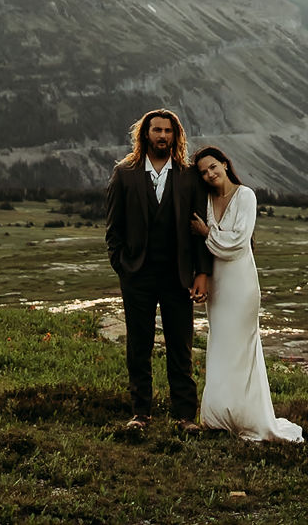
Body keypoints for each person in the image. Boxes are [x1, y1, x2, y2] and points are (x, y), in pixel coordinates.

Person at [104, 108, 211, 430]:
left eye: (168, 131)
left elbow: (200, 229)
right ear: (145, 134)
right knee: (139, 345)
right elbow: (113, 228)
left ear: (175, 136)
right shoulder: (125, 173)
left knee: (181, 345)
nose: (162, 136)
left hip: (178, 275)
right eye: (156, 130)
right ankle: (141, 413)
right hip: (137, 275)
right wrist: (122, 266)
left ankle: (184, 416)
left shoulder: (189, 175)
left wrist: (201, 272)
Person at [189, 145, 304, 443]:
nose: (210, 174)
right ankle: (217, 415)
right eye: (203, 171)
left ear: (225, 164)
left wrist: (207, 234)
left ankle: (249, 416)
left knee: (243, 348)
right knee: (220, 346)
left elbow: (239, 242)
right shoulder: (206, 200)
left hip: (240, 283)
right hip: (218, 285)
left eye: (213, 166)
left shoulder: (246, 196)